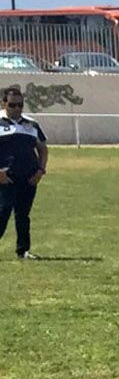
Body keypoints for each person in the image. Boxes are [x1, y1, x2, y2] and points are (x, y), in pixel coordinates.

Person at [0, 85, 50, 259]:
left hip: (29, 177)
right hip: (5, 177)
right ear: (4, 103)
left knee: (23, 215)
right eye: (13, 105)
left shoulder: (31, 124)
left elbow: (43, 149)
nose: (17, 108)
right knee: (3, 211)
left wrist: (40, 170)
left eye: (20, 105)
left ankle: (23, 250)